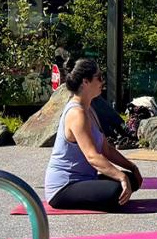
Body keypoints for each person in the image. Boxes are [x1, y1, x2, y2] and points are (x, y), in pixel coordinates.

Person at [43, 58, 144, 211]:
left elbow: (106, 149)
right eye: (99, 77)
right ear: (85, 81)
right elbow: (92, 156)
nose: (102, 81)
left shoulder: (89, 110)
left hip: (86, 179)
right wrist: (120, 177)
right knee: (116, 189)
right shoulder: (77, 113)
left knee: (132, 179)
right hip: (64, 187)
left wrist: (132, 167)